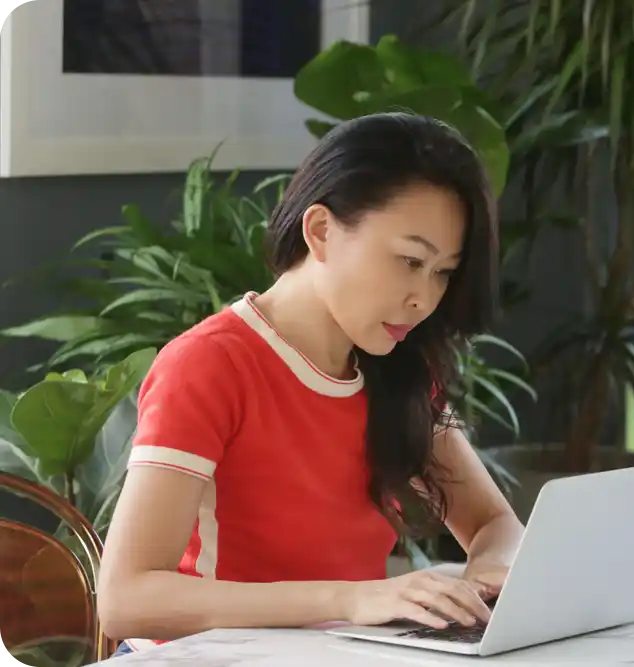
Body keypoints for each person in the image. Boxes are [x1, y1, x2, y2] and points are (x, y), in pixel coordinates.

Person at [96, 112, 525, 656]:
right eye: (410, 260)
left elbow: (494, 523)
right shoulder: (210, 365)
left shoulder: (396, 368)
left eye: (442, 272)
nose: (424, 298)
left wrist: (487, 575)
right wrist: (347, 599)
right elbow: (126, 598)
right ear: (321, 231)